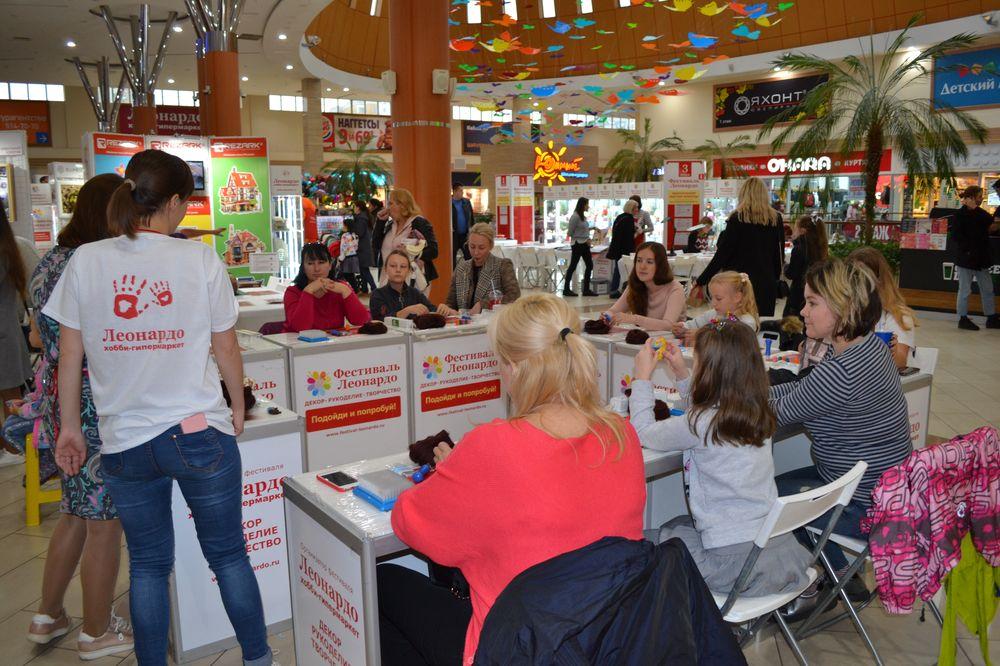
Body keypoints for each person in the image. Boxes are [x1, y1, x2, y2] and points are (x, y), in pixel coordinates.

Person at [42, 149, 274, 666]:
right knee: (228, 555)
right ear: (171, 203)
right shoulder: (198, 259)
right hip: (198, 433)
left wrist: (71, 429)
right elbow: (226, 346)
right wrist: (237, 406)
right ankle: (258, 658)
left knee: (147, 565)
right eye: (185, 202)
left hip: (124, 442)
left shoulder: (86, 260)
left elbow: (69, 356)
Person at [378, 294, 645, 665]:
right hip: (606, 640)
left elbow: (410, 523)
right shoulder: (620, 433)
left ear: (515, 368)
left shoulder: (494, 445)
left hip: (517, 649)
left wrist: (452, 474)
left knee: (383, 584)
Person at [26, 173, 131, 658]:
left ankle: (48, 615)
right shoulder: (93, 264)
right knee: (104, 521)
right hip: (92, 405)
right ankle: (96, 631)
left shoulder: (50, 261)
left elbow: (37, 337)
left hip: (57, 402)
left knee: (73, 511)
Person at [631, 322, 811, 596]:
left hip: (733, 566)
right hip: (777, 550)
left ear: (708, 371)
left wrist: (641, 378)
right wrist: (681, 372)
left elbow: (643, 432)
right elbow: (705, 414)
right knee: (674, 526)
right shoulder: (757, 411)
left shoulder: (701, 423)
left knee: (645, 541)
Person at [769, 259, 912, 597]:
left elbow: (772, 414)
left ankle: (823, 581)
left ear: (843, 308)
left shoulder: (843, 371)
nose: (803, 311)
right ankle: (841, 574)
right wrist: (750, 392)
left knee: (764, 499)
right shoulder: (870, 349)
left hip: (862, 506)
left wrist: (726, 397)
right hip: (889, 496)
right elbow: (802, 390)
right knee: (776, 489)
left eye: (812, 303)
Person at [694, 177, 784, 316]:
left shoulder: (737, 218)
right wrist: (774, 278)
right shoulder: (775, 218)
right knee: (761, 322)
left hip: (738, 282)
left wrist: (702, 280)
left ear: (743, 194)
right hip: (766, 282)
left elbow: (722, 254)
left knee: (735, 323)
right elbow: (778, 254)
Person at [849, 247, 917, 370]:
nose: (857, 282)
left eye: (863, 276)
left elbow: (900, 362)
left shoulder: (898, 314)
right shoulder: (844, 310)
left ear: (879, 280)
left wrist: (891, 350)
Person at [283, 242, 370, 332]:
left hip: (334, 340)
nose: (316, 269)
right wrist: (308, 291)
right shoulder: (293, 292)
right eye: (310, 263)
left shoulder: (340, 288)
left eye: (321, 262)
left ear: (330, 265)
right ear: (303, 268)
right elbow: (300, 327)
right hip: (296, 340)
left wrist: (345, 290)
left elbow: (361, 321)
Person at [438, 222, 519, 316]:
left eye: (481, 248)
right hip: (463, 324)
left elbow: (514, 295)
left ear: (491, 246)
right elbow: (451, 303)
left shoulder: (502, 265)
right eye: (472, 247)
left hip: (492, 322)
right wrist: (446, 309)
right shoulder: (461, 268)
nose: (476, 252)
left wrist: (483, 304)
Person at [606, 241, 686, 329]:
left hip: (670, 337)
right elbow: (614, 310)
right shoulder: (635, 285)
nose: (642, 267)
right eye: (639, 260)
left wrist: (634, 319)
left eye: (649, 262)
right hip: (645, 336)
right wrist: (607, 315)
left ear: (660, 266)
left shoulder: (675, 288)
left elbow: (668, 325)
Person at [0, 204, 31, 420]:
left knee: (11, 407)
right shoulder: (8, 248)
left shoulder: (3, 252)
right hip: (7, 338)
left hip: (4, 343)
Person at [952, 185, 998, 331]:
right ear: (971, 197)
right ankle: (963, 318)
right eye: (979, 196)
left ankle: (991, 317)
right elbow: (956, 236)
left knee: (987, 289)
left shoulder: (980, 213)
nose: (981, 198)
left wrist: (975, 209)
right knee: (965, 290)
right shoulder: (959, 215)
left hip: (981, 258)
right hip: (966, 258)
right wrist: (968, 249)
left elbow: (989, 221)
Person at [373, 188, 439, 289]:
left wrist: (411, 252)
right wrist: (380, 222)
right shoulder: (390, 225)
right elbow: (375, 244)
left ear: (402, 205)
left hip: (412, 281)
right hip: (387, 280)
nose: (388, 208)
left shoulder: (419, 223)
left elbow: (433, 250)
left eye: (390, 203)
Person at [674, 271, 759, 344]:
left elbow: (731, 341)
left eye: (718, 299)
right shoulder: (714, 314)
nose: (713, 303)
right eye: (712, 297)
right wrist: (683, 328)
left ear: (737, 297)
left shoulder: (746, 322)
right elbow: (695, 324)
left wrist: (702, 336)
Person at [369, 249, 436, 320]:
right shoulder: (377, 294)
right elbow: (382, 319)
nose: (398, 270)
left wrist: (441, 310)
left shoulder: (415, 293)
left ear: (409, 271)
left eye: (403, 266)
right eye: (393, 266)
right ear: (385, 269)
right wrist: (406, 311)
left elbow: (432, 310)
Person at [783, 215, 828, 319]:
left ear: (803, 231)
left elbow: (791, 273)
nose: (794, 232)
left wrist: (785, 267)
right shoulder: (821, 247)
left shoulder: (799, 248)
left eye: (795, 229)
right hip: (816, 289)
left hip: (798, 293)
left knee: (792, 322)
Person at [562, 197, 597, 297]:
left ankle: (586, 289)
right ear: (582, 205)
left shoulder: (582, 217)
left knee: (589, 265)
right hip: (578, 244)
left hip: (585, 243)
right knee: (573, 266)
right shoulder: (575, 217)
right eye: (587, 204)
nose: (588, 206)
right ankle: (566, 289)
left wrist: (591, 229)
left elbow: (581, 229)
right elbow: (570, 232)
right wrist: (582, 237)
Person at [606, 199, 638, 298]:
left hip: (617, 248)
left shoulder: (620, 217)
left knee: (617, 269)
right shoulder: (629, 219)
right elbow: (629, 237)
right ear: (631, 208)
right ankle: (623, 290)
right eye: (636, 208)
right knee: (625, 270)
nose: (637, 210)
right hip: (625, 249)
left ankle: (614, 289)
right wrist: (637, 232)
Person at [351, 200, 377, 294]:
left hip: (362, 247)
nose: (354, 209)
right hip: (365, 246)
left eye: (355, 207)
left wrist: (352, 229)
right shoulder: (365, 217)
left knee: (364, 269)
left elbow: (359, 232)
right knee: (363, 269)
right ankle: (365, 288)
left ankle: (374, 288)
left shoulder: (361, 219)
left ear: (358, 208)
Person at [451, 182, 473, 266]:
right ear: (455, 191)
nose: (462, 193)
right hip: (454, 235)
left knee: (469, 256)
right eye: (460, 191)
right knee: (452, 257)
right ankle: (453, 272)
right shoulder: (448, 203)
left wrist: (472, 229)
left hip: (465, 235)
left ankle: (471, 272)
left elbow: (471, 217)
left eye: (462, 191)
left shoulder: (466, 202)